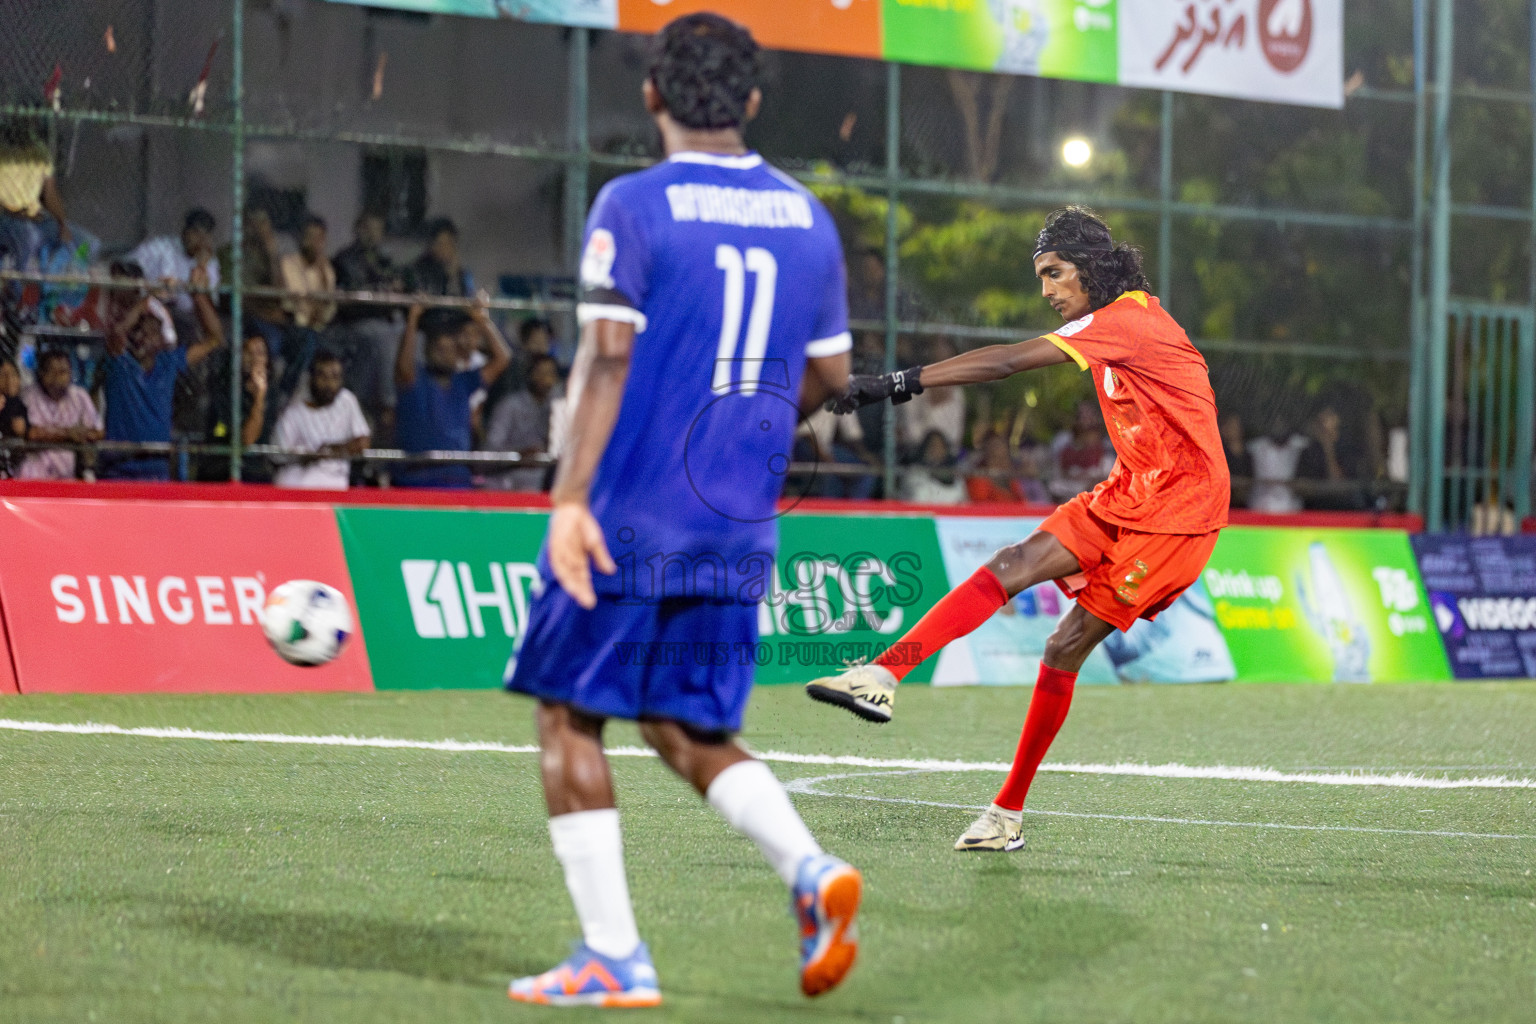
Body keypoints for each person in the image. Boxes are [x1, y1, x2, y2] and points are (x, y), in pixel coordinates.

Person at [503, 14, 863, 1007]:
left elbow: (607, 356)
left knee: (570, 718)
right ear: (750, 102)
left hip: (630, 516)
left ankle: (612, 958)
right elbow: (831, 373)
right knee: (679, 723)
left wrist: (568, 497)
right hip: (736, 520)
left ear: (652, 94)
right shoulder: (808, 218)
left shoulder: (635, 203)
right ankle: (809, 869)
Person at [805, 205, 1229, 853]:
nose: (1046, 290)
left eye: (1055, 273)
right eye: (1041, 276)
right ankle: (884, 675)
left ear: (1090, 268)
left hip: (1178, 516)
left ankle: (1007, 813)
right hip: (1129, 491)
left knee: (1063, 646)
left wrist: (893, 383)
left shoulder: (1130, 321)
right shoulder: (1111, 324)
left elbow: (1005, 364)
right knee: (1014, 563)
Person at [99, 265, 225, 480]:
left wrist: (198, 296)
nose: (141, 337)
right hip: (118, 470)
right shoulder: (120, 364)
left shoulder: (168, 363)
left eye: (149, 333)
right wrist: (146, 301)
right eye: (137, 331)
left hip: (157, 470)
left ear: (161, 341)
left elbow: (214, 338)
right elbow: (116, 333)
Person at [392, 298, 510, 489]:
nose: (444, 354)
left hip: (457, 480)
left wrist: (481, 319)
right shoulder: (413, 379)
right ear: (427, 350)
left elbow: (502, 359)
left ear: (459, 353)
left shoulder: (464, 381)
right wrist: (413, 319)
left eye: (450, 349)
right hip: (416, 479)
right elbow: (403, 366)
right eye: (439, 349)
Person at [331, 211, 403, 428]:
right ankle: (388, 403)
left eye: (378, 229)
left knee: (411, 334)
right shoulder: (345, 260)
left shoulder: (383, 260)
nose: (374, 235)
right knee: (382, 335)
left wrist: (395, 288)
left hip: (385, 318)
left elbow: (397, 285)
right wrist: (382, 294)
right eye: (369, 229)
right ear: (359, 229)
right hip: (355, 321)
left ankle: (408, 398)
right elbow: (352, 298)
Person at [271, 351, 370, 490]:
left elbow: (363, 442)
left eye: (335, 377)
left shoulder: (346, 400)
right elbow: (277, 457)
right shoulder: (293, 410)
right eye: (322, 376)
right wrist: (310, 456)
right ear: (311, 378)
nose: (329, 383)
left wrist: (332, 450)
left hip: (335, 485)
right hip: (296, 486)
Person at [198, 331, 273, 483]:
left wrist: (261, 394)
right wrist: (259, 398)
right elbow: (246, 440)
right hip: (221, 471)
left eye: (260, 353)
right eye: (248, 352)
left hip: (256, 471)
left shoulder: (273, 391)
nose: (255, 359)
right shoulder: (225, 390)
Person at [18, 349, 102, 480]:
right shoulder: (29, 395)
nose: (60, 377)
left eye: (64, 371)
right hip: (34, 475)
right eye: (54, 371)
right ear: (42, 374)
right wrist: (68, 434)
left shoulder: (79, 395)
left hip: (68, 475)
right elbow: (31, 432)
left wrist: (82, 434)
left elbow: (98, 431)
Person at [482, 352, 558, 491]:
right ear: (529, 375)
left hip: (542, 485)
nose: (546, 379)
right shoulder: (510, 405)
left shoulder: (556, 407)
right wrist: (521, 455)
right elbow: (489, 451)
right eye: (540, 373)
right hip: (506, 483)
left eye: (550, 373)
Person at [128, 208, 218, 316]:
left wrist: (201, 267)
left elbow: (210, 303)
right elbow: (126, 266)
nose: (201, 239)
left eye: (206, 235)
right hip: (153, 311)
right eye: (196, 232)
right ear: (185, 232)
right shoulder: (161, 247)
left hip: (190, 318)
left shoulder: (210, 262)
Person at [280, 214, 337, 334]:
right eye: (312, 237)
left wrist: (323, 277)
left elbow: (329, 306)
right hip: (295, 325)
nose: (316, 243)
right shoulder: (288, 264)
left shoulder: (325, 268)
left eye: (320, 238)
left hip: (322, 327)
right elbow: (298, 302)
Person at [1247, 416, 1309, 513]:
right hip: (1260, 509)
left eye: (1281, 424)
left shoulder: (1301, 446)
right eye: (1275, 424)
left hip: (1292, 510)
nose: (1278, 427)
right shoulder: (1255, 447)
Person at [405, 217, 472, 299]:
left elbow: (468, 297)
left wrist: (454, 275)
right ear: (431, 245)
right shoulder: (419, 270)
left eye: (449, 243)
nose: (445, 248)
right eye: (440, 244)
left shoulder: (462, 273)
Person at [900, 429, 967, 504]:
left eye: (940, 446)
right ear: (924, 449)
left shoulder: (955, 476)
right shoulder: (914, 472)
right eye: (932, 445)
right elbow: (917, 497)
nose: (936, 449)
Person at [0, 357, 26, 477]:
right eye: (3, 375)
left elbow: (21, 430)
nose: (9, 380)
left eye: (13, 374)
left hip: (17, 470)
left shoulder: (21, 404)